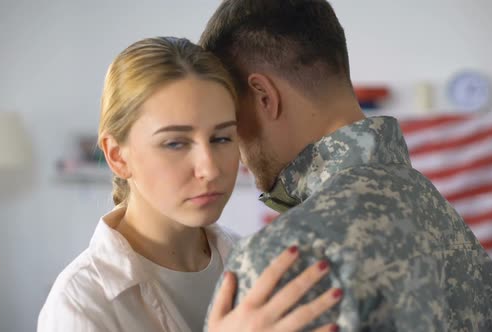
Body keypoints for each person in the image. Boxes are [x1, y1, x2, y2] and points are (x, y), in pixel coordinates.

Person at [200, 0, 492, 331]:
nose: (236, 148)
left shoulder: (281, 258)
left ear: (264, 96)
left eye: (231, 118)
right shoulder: (459, 239)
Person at [37, 37, 343, 332]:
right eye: (175, 143)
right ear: (117, 156)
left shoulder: (258, 263)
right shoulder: (81, 304)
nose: (209, 169)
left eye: (222, 138)